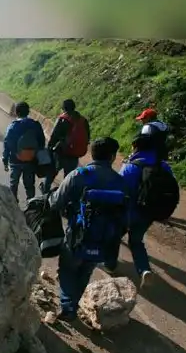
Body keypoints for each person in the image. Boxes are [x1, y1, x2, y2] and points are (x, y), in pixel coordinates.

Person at [47, 137, 128, 320]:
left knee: (67, 269)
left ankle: (68, 307)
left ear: (92, 152)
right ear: (113, 157)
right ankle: (73, 303)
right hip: (103, 238)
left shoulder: (79, 175)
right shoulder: (121, 183)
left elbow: (56, 202)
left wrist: (50, 197)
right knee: (86, 269)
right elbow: (125, 218)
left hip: (77, 234)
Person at [105, 133, 179, 288]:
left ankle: (110, 265)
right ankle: (144, 270)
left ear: (136, 147)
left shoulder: (131, 166)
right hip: (148, 213)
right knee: (136, 241)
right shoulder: (163, 166)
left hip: (128, 212)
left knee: (115, 236)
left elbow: (120, 189)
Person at [42, 99, 91, 193]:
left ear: (63, 108)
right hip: (74, 155)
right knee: (68, 179)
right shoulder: (83, 120)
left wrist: (49, 149)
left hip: (60, 153)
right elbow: (87, 137)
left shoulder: (63, 119)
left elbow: (54, 136)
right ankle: (64, 198)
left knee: (51, 174)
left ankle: (45, 194)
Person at [2, 101, 46, 202]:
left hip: (15, 160)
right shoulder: (35, 125)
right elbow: (42, 143)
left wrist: (5, 159)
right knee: (30, 185)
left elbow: (7, 144)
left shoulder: (12, 126)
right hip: (30, 160)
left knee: (14, 183)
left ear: (16, 112)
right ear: (28, 112)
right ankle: (31, 204)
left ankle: (13, 202)